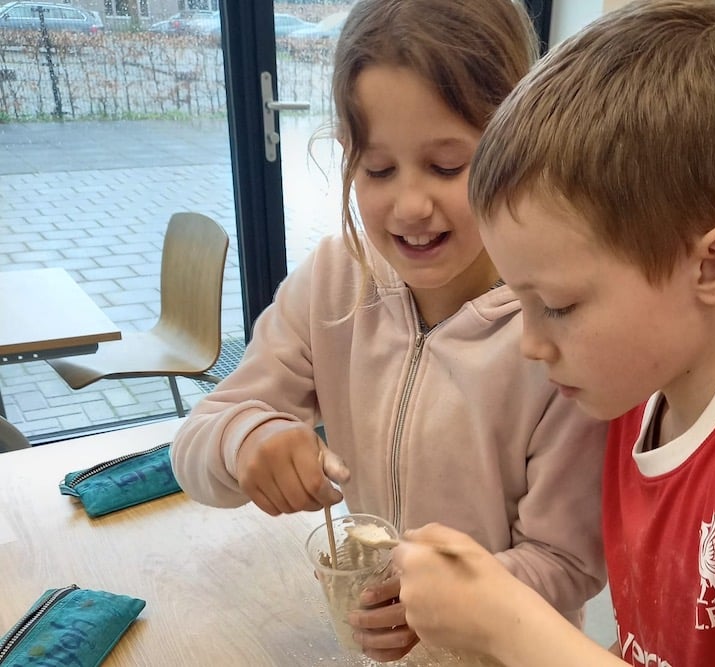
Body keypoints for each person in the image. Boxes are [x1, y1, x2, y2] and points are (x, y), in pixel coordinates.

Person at [393, 1, 715, 665]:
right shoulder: (639, 398)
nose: (532, 343)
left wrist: (510, 625)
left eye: (558, 304)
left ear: (713, 265)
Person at [169, 0, 607, 662]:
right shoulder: (333, 282)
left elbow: (569, 561)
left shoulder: (555, 326)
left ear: (518, 151)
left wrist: (445, 604)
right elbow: (198, 442)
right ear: (346, 158)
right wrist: (247, 441)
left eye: (446, 165)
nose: (408, 205)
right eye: (377, 170)